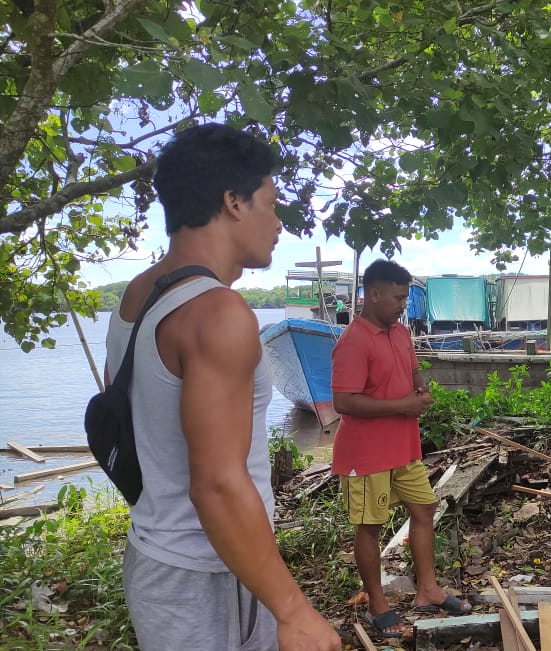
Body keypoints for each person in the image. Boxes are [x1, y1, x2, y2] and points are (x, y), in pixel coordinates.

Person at [105, 124, 340, 650]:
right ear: (233, 201)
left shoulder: (137, 295)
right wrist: (293, 610)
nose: (278, 224)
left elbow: (132, 425)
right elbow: (216, 483)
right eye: (271, 204)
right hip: (207, 574)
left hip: (156, 556)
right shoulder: (218, 312)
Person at [330, 260, 473, 638]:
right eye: (397, 298)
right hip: (366, 454)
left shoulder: (400, 332)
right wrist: (401, 406)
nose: (402, 305)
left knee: (424, 508)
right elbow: (344, 402)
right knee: (370, 527)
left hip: (403, 448)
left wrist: (421, 390)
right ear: (374, 294)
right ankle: (377, 604)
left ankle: (428, 590)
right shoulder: (353, 341)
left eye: (405, 298)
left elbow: (412, 371)